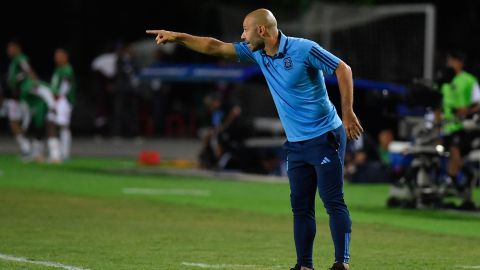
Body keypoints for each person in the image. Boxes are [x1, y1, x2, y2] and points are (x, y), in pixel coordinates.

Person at [147, 8, 363, 270]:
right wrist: (179, 37)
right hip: (296, 143)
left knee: (332, 200)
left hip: (325, 135)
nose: (242, 35)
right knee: (301, 206)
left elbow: (343, 69)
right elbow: (216, 47)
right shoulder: (257, 52)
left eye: (245, 29)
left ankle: (342, 263)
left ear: (262, 30)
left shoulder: (304, 49)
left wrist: (348, 112)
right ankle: (304, 266)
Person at [439, 51, 480, 207]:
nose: (451, 64)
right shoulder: (444, 81)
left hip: (465, 127)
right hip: (446, 126)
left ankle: (453, 177)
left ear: (461, 63)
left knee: (455, 146)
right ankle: (447, 181)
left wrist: (466, 111)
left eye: (454, 61)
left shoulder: (469, 80)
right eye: (450, 61)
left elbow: (478, 103)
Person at [51, 48, 76, 160]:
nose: (57, 58)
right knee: (56, 124)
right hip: (57, 99)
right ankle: (59, 151)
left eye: (59, 55)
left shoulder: (67, 69)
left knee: (63, 125)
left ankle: (64, 153)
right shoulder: (58, 69)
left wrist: (57, 97)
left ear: (65, 56)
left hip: (63, 100)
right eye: (56, 55)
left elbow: (65, 85)